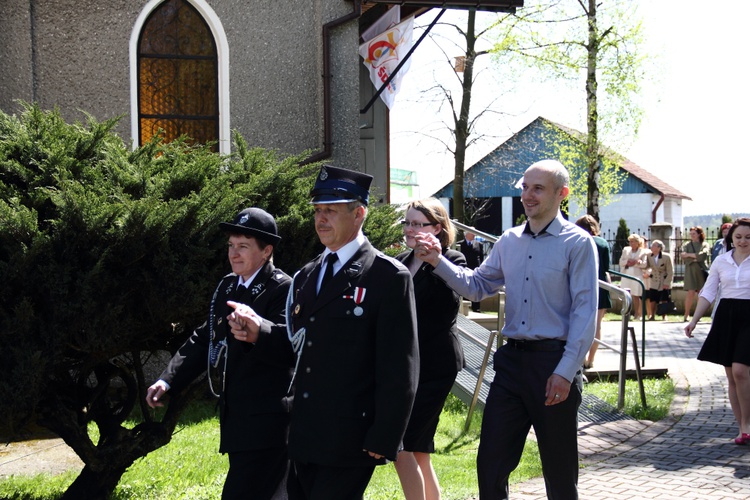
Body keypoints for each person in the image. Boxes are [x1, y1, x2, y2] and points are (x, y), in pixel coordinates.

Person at [228, 165, 419, 500]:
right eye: (317, 210)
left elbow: (399, 365)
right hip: (303, 434)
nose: (321, 219)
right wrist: (261, 333)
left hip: (350, 435)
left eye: (331, 210)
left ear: (359, 213)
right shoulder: (306, 275)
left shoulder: (387, 276)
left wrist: (386, 435)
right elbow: (298, 348)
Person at [415, 159, 597, 499]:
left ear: (562, 194)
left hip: (554, 366)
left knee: (559, 475)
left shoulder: (577, 243)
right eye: (525, 187)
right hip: (511, 365)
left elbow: (585, 313)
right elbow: (476, 286)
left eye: (538, 188)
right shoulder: (509, 241)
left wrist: (566, 370)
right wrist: (437, 261)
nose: (527, 195)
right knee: (491, 465)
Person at [146, 208, 293, 500]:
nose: (234, 254)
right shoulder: (228, 285)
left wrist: (256, 332)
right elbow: (204, 338)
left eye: (243, 246)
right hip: (237, 420)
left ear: (266, 251)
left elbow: (290, 345)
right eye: (230, 246)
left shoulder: (282, 288)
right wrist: (167, 380)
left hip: (268, 423)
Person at [394, 198, 466, 500]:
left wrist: (435, 261)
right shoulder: (400, 260)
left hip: (436, 363)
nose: (410, 229)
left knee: (402, 444)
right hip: (407, 365)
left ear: (437, 228)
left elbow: (448, 306)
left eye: (418, 224)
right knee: (419, 449)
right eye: (407, 223)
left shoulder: (453, 259)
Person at [685, 218, 750, 445]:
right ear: (731, 238)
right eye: (739, 237)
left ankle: (748, 424)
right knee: (732, 375)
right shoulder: (721, 261)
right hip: (727, 317)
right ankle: (743, 427)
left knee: (742, 371)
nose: (743, 241)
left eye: (748, 237)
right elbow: (708, 292)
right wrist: (693, 321)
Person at [575, 214, 611, 369]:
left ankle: (580, 358)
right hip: (601, 287)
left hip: (582, 286)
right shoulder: (602, 243)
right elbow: (607, 268)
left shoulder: (578, 241)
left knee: (581, 324)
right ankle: (591, 360)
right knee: (597, 326)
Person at [681, 226, 711, 322]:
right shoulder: (687, 245)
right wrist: (694, 256)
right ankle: (686, 314)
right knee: (690, 292)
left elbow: (703, 255)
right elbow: (683, 256)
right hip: (690, 270)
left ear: (699, 234)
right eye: (691, 234)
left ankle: (698, 315)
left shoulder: (705, 244)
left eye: (694, 233)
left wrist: (690, 256)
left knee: (700, 293)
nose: (692, 235)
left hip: (701, 270)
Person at [619, 233, 649, 320]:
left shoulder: (643, 251)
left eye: (633, 242)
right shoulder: (626, 250)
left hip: (637, 275)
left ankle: (637, 314)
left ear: (637, 242)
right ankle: (626, 314)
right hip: (626, 274)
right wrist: (628, 262)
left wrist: (636, 263)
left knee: (636, 295)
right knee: (626, 294)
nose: (631, 243)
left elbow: (644, 264)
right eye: (630, 242)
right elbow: (621, 262)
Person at [645, 240, 674, 321]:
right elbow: (646, 266)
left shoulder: (666, 257)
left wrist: (667, 283)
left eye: (654, 245)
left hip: (663, 280)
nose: (652, 247)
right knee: (653, 299)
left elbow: (670, 271)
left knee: (664, 299)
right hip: (654, 280)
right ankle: (652, 315)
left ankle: (664, 315)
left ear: (659, 248)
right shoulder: (649, 256)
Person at [458, 231, 484, 312]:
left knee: (476, 289)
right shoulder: (460, 245)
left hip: (475, 271)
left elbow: (481, 258)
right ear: (466, 234)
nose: (474, 234)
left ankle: (476, 308)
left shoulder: (479, 244)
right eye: (472, 233)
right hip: (464, 269)